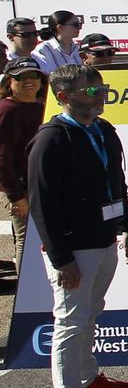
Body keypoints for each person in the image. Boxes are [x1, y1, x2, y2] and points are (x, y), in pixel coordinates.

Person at [27, 64, 128, 388]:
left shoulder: (103, 130)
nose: (101, 96)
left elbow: (117, 181)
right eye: (91, 92)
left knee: (92, 311)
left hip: (104, 238)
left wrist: (126, 226)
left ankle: (90, 378)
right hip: (73, 248)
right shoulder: (51, 139)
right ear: (63, 97)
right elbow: (43, 206)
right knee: (70, 322)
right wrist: (62, 259)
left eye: (102, 89)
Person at [0, 58, 47, 273]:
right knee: (25, 241)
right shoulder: (8, 110)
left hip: (39, 185)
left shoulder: (39, 106)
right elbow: (2, 159)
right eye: (22, 77)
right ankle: (25, 300)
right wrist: (15, 196)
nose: (29, 81)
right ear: (10, 82)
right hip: (20, 189)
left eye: (34, 76)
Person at [31, 10, 83, 75]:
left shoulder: (79, 47)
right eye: (76, 25)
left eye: (80, 24)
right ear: (60, 27)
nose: (80, 28)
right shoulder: (42, 50)